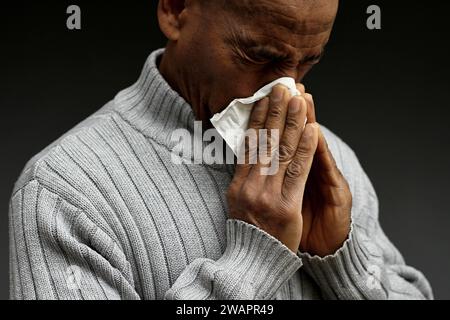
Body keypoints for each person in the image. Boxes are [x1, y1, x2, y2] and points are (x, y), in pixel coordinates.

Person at [9, 0, 433, 300]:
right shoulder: (64, 191)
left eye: (308, 63)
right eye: (256, 56)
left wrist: (344, 264)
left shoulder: (334, 163)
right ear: (175, 9)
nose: (285, 91)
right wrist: (254, 259)